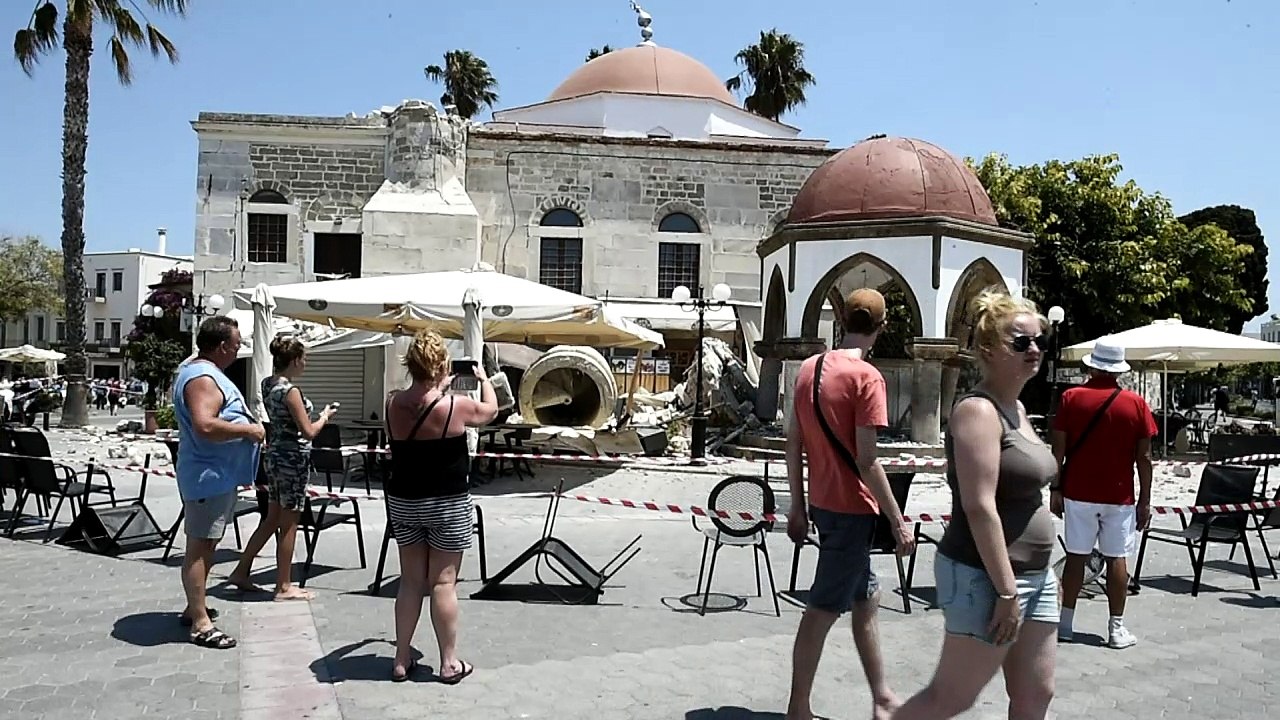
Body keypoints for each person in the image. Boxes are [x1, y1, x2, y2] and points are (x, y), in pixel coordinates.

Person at [892, 290, 1058, 720]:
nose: (1034, 349)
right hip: (985, 578)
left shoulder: (1017, 408)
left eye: (1040, 340)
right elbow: (980, 506)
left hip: (1036, 575)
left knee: (1036, 693)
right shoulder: (978, 412)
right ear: (988, 350)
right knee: (951, 698)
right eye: (1020, 342)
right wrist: (1006, 591)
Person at [784, 287, 915, 720]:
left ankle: (881, 696)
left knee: (866, 596)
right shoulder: (867, 378)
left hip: (823, 503)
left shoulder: (809, 368)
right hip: (852, 509)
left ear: (842, 322)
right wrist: (898, 521)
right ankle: (798, 708)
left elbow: (793, 444)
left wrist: (798, 506)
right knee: (821, 610)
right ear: (881, 327)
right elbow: (868, 460)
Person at [386, 329, 497, 683]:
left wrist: (438, 385)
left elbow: (418, 409)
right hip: (447, 503)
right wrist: (484, 379)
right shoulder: (455, 406)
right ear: (441, 366)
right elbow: (490, 411)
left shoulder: (392, 404)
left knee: (410, 581)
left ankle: (401, 658)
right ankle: (449, 663)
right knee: (443, 583)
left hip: (405, 501)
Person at [1050, 338, 1155, 649]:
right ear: (1119, 370)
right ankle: (1116, 629)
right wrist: (1145, 501)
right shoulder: (1136, 404)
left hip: (1078, 491)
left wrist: (1055, 488)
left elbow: (1058, 450)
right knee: (1116, 558)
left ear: (1092, 366)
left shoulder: (1071, 398)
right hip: (1119, 495)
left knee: (1076, 557)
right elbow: (1144, 458)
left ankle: (1065, 624)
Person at [172, 316, 265, 649]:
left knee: (207, 546)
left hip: (215, 476)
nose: (239, 350)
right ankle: (200, 624)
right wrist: (250, 430)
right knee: (199, 549)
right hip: (207, 478)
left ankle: (193, 606)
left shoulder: (202, 373)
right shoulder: (202, 378)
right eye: (237, 345)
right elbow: (205, 425)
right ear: (223, 345)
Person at [227, 336, 337, 601]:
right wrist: (324, 417)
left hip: (274, 455)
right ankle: (284, 585)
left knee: (271, 519)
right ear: (295, 360)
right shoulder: (291, 391)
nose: (305, 363)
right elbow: (308, 431)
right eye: (304, 358)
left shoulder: (267, 384)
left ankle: (241, 571)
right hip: (292, 460)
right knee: (289, 524)